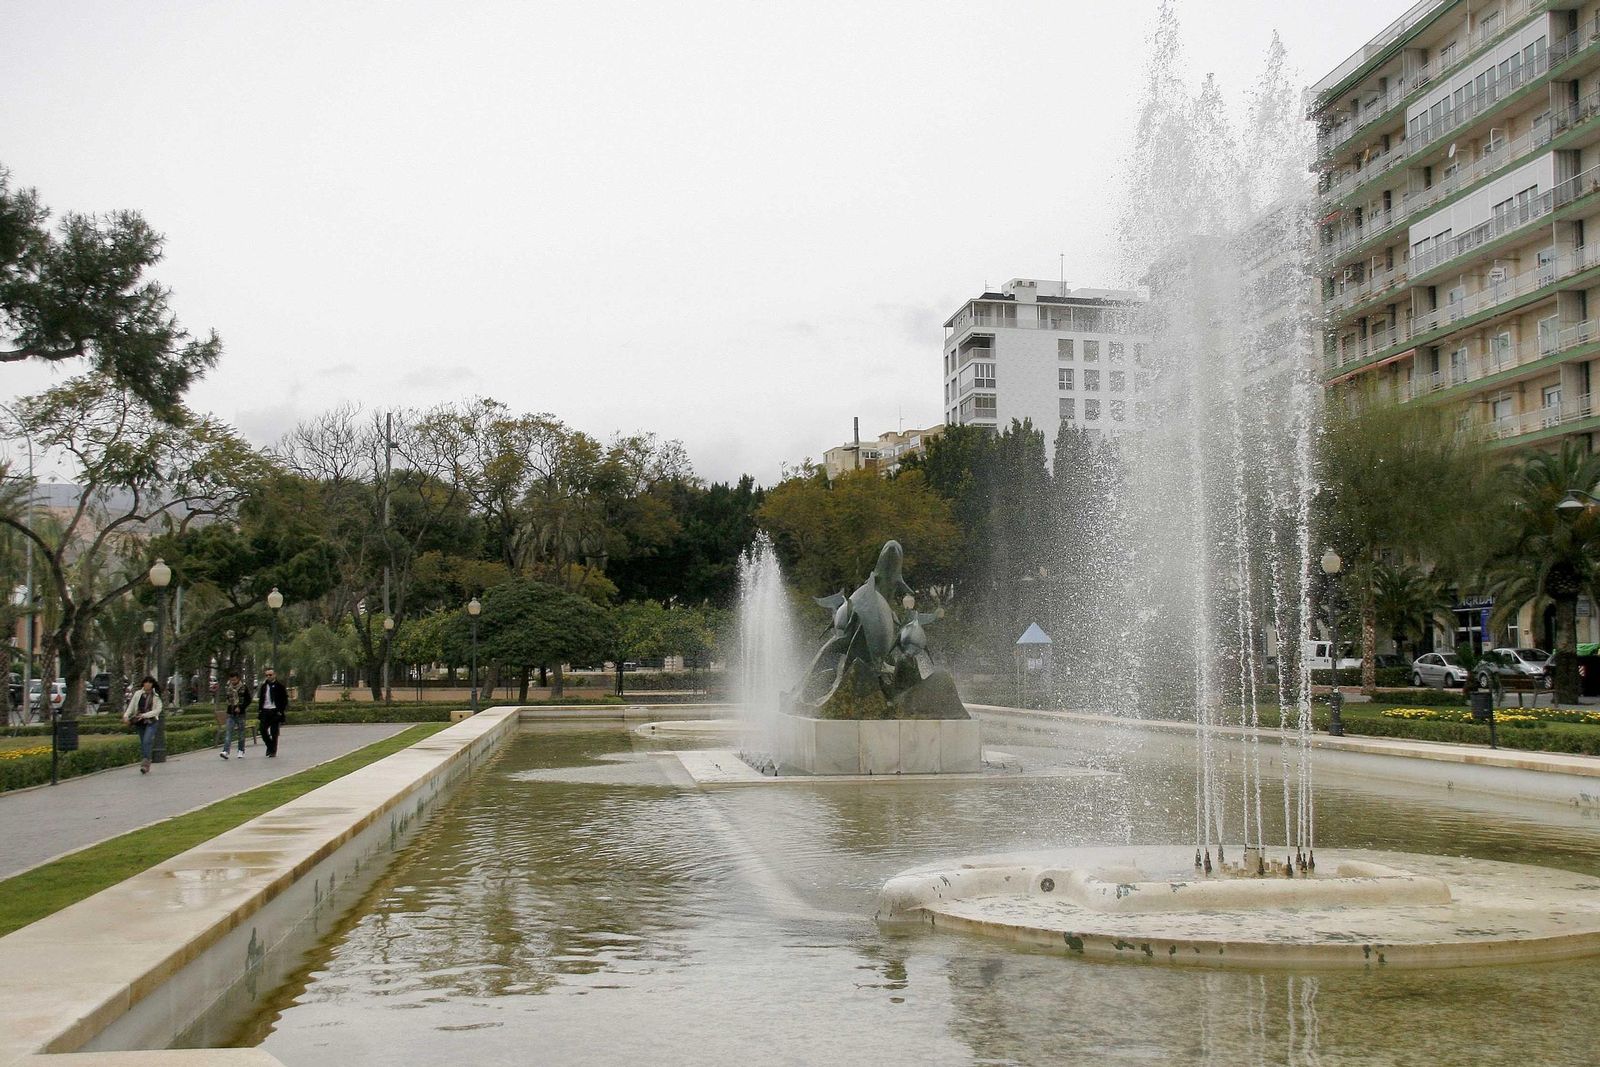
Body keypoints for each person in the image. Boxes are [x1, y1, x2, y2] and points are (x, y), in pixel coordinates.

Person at [122, 675, 163, 774]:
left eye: (150, 682)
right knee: (144, 743)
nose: (147, 684)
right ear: (143, 683)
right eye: (146, 682)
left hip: (151, 721)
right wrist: (126, 716)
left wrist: (144, 715)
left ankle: (145, 763)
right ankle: (147, 760)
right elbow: (131, 706)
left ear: (152, 684)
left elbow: (157, 710)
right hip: (139, 722)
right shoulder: (137, 694)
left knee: (147, 740)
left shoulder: (156, 696)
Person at [220, 669, 251, 760]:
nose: (233, 682)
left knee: (241, 733)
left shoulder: (243, 687)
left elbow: (248, 700)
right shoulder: (229, 688)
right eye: (231, 680)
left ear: (238, 679)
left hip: (240, 714)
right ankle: (226, 751)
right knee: (228, 732)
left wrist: (241, 707)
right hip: (231, 713)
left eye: (234, 680)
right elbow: (227, 699)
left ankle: (241, 750)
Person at [257, 666, 288, 758]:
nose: (268, 677)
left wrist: (280, 711)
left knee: (274, 732)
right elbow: (261, 699)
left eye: (270, 675)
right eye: (266, 675)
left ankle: (273, 751)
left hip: (275, 711)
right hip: (265, 710)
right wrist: (260, 710)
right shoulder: (263, 686)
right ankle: (270, 746)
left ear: (274, 675)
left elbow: (284, 700)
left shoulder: (280, 686)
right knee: (262, 729)